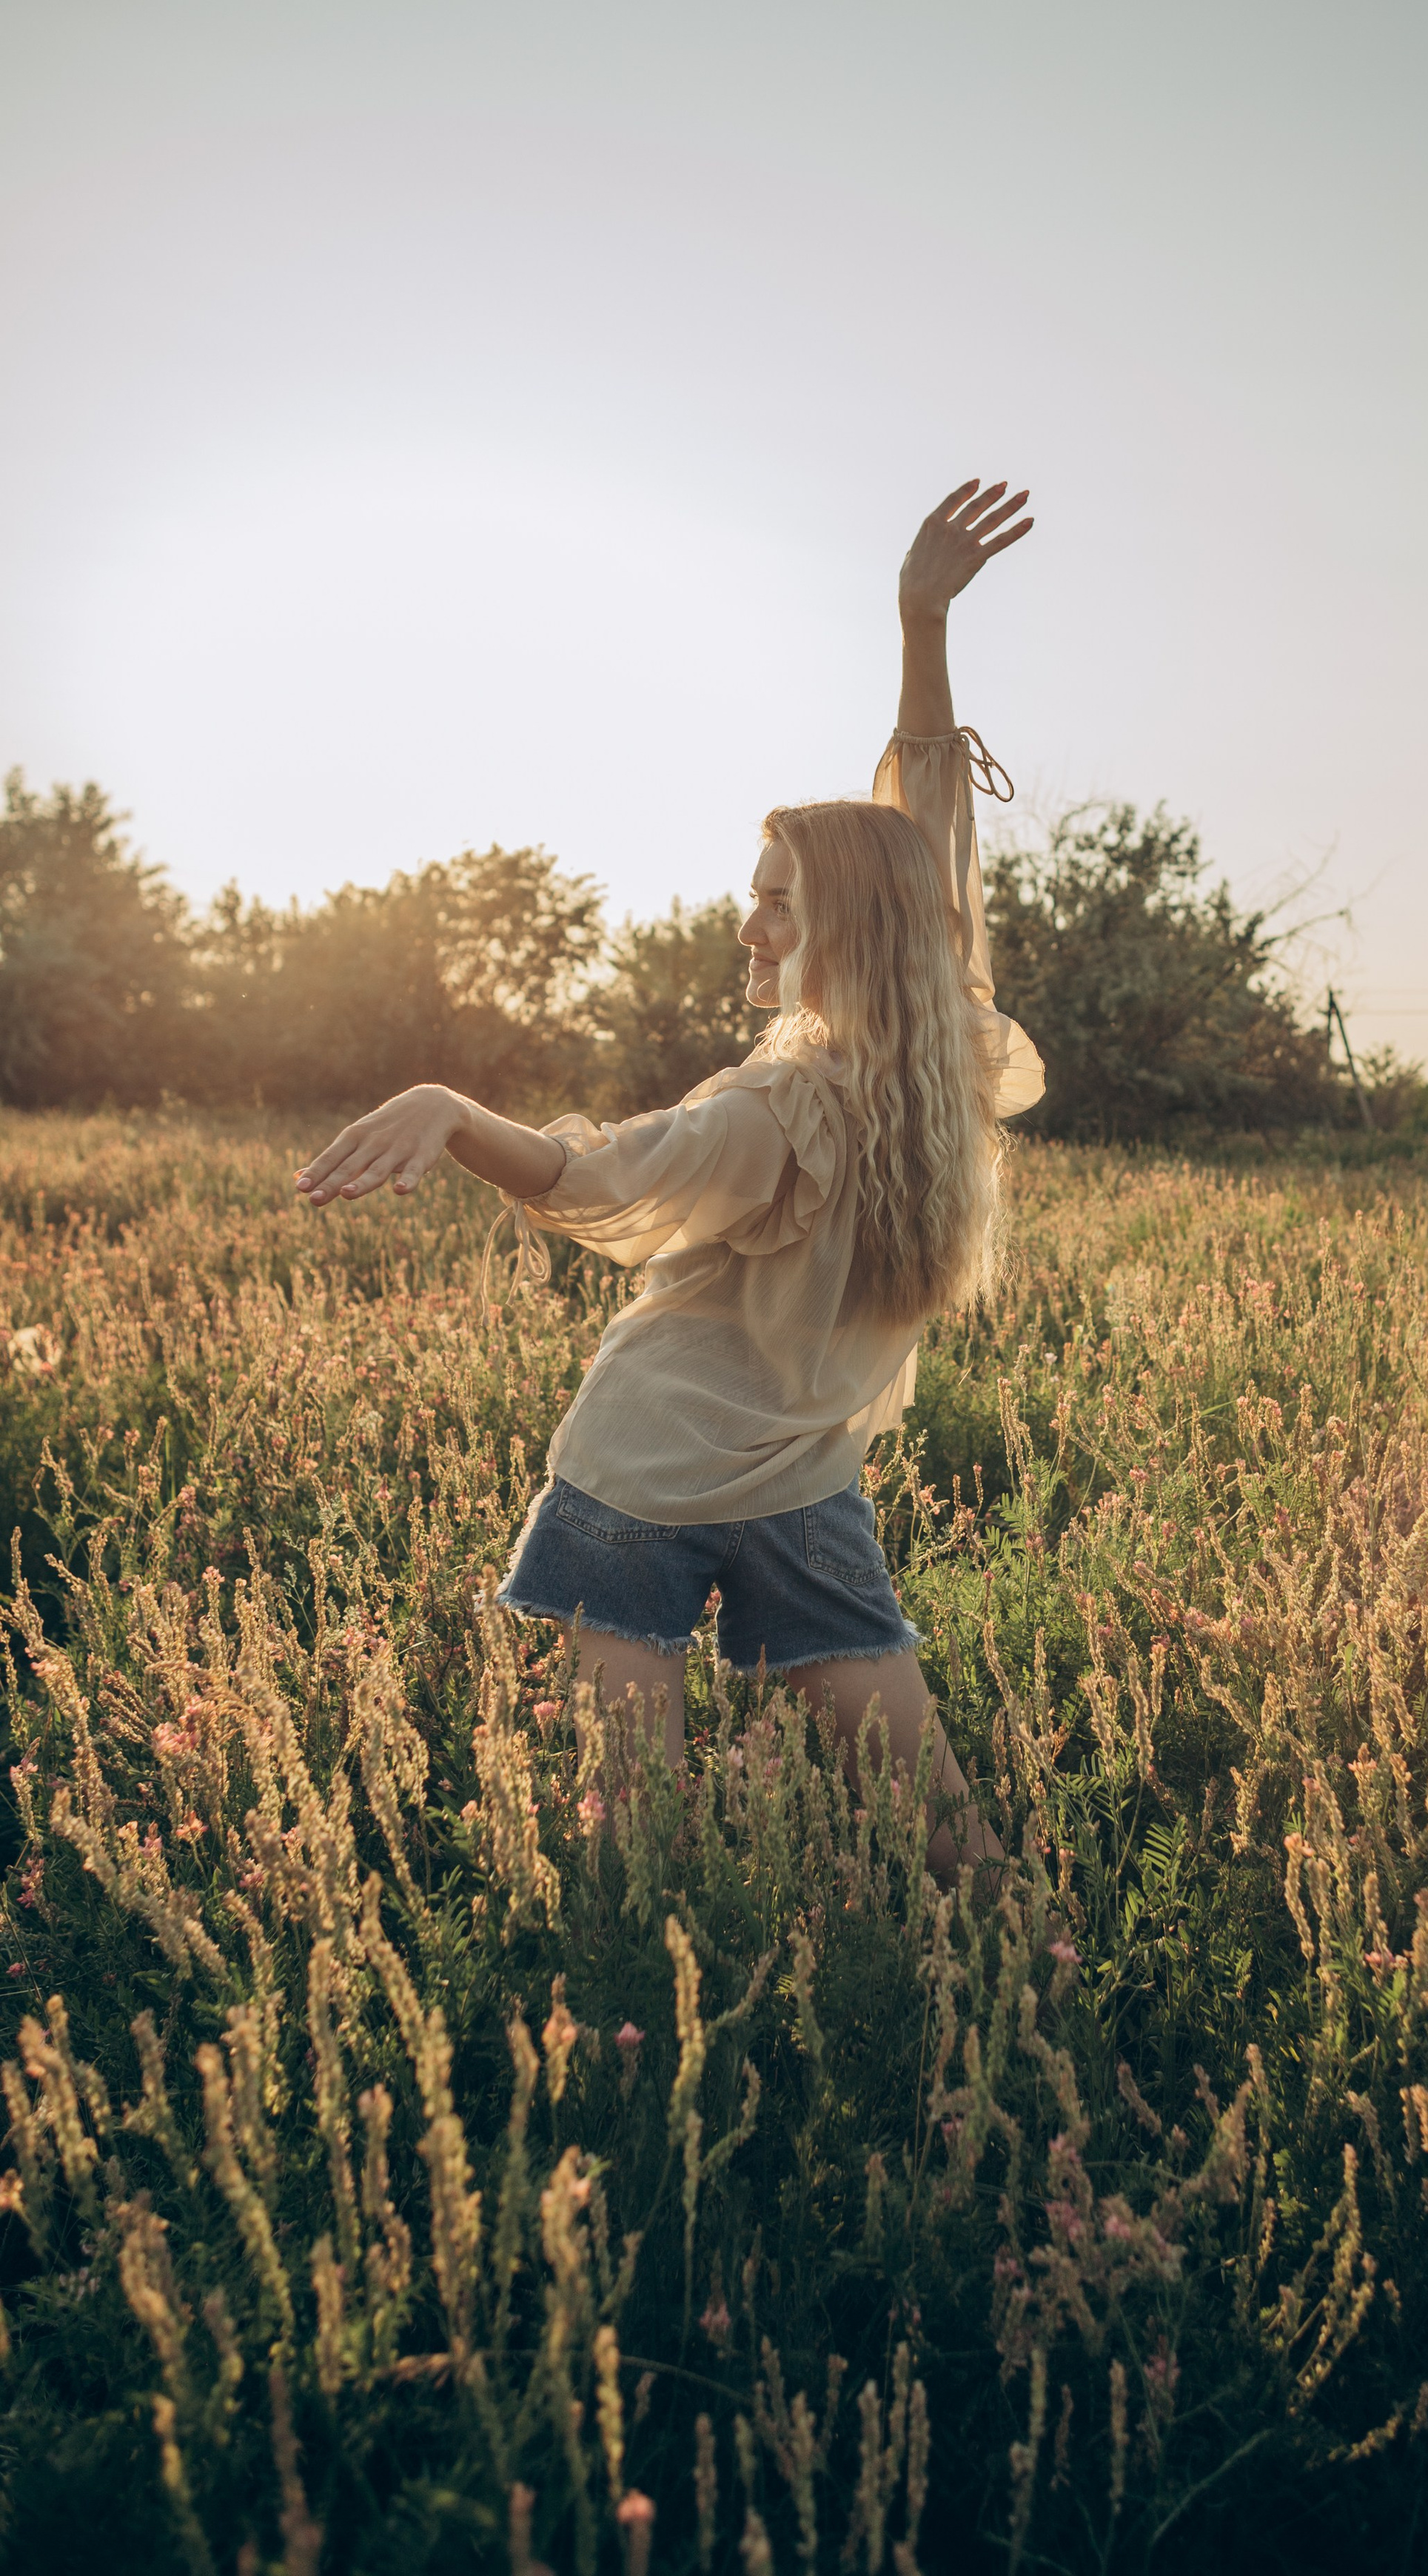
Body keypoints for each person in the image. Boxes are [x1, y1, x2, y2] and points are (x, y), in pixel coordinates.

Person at [295, 479, 1042, 1881]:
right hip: (726, 1482)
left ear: (848, 926)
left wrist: (452, 1108)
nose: (747, 919)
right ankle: (1028, 2021)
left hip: (652, 1476)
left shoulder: (779, 1108)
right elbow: (928, 834)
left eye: (775, 898)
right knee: (924, 1833)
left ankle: (674, 2028)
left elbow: (590, 1180)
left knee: (643, 1846)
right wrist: (922, 625)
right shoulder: (948, 1050)